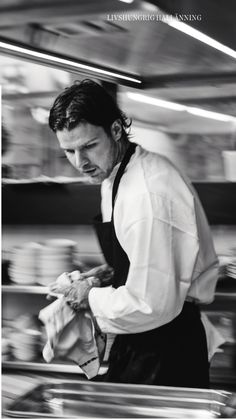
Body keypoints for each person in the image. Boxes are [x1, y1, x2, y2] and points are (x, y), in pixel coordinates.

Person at [48, 79, 219, 388]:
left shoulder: (147, 192)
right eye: (68, 152)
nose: (80, 162)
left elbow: (151, 302)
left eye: (88, 146)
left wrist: (90, 297)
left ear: (115, 130)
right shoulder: (115, 175)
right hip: (143, 340)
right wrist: (107, 275)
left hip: (165, 350)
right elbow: (140, 258)